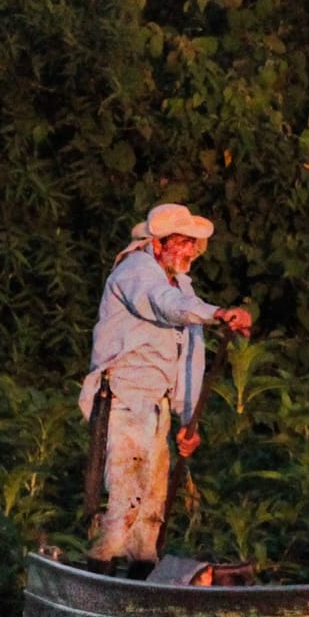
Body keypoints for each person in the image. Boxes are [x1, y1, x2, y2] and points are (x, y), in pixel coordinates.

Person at [78, 203, 252, 572]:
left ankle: (141, 577)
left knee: (152, 507)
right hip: (123, 399)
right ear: (158, 244)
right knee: (125, 498)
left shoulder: (182, 286)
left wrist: (189, 420)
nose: (190, 252)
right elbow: (164, 305)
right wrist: (218, 313)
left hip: (155, 406)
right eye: (183, 243)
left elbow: (189, 357)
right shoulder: (136, 272)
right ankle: (100, 573)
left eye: (194, 245)